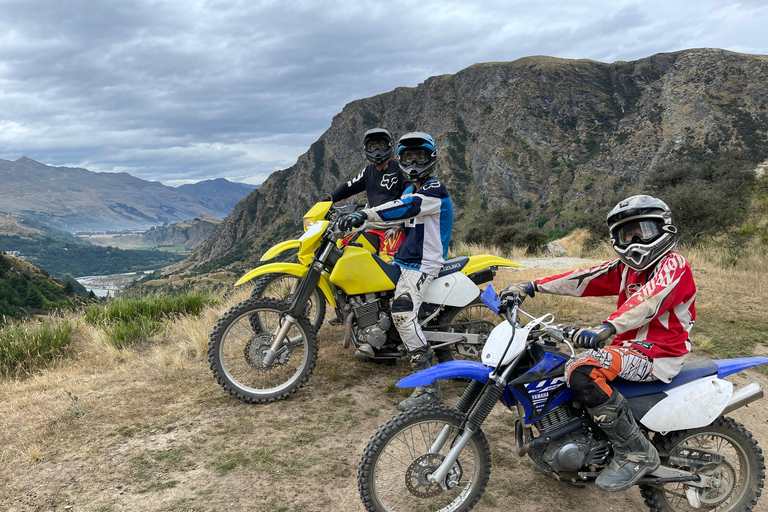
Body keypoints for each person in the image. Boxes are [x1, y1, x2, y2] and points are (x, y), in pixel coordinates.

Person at [503, 195, 696, 492]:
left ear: (664, 229)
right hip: (627, 348)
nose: (634, 241)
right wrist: (531, 286)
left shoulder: (674, 265)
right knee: (559, 369)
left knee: (583, 370)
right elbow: (583, 278)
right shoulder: (625, 269)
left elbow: (648, 300)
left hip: (659, 353)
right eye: (626, 234)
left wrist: (607, 327)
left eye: (643, 231)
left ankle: (635, 451)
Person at [338, 132, 454, 410]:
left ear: (431, 159)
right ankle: (383, 345)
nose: (414, 162)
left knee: (402, 312)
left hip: (424, 263)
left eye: (420, 157)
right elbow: (395, 216)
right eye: (408, 157)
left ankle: (429, 388)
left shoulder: (433, 189)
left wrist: (366, 214)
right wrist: (359, 225)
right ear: (400, 160)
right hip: (405, 259)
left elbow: (405, 208)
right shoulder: (410, 189)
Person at [330, 128, 410, 257]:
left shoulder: (399, 168)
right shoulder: (368, 171)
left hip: (395, 228)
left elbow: (410, 193)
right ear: (367, 148)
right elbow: (349, 187)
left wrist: (401, 222)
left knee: (388, 265)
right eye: (373, 147)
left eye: (381, 146)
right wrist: (329, 199)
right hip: (372, 227)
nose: (377, 151)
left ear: (388, 146)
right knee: (343, 248)